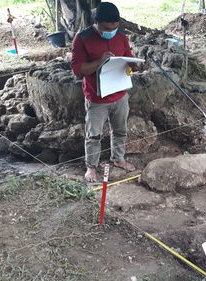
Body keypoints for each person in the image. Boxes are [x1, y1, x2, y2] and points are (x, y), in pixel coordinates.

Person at [71, 2, 137, 183]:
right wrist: (99, 61)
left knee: (120, 130)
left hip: (120, 93)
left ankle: (119, 159)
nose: (112, 31)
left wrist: (134, 63)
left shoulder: (121, 37)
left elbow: (128, 57)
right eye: (108, 28)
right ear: (97, 22)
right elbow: (78, 70)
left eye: (115, 27)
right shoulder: (82, 38)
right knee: (94, 134)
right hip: (97, 97)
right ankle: (91, 167)